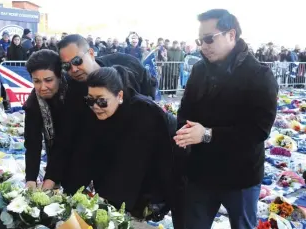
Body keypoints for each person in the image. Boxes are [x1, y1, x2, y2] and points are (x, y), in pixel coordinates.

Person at [174, 9, 278, 229]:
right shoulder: (199, 70)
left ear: (231, 35)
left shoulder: (259, 75)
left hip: (240, 177)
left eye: (209, 39)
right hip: (200, 173)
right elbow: (185, 112)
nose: (203, 45)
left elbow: (258, 130)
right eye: (200, 40)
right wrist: (185, 132)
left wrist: (207, 134)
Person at [47, 66, 174, 221]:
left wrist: (105, 205)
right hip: (114, 188)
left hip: (145, 189)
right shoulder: (95, 112)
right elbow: (85, 153)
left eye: (101, 100)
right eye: (90, 100)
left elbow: (132, 165)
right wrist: (70, 194)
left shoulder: (144, 112)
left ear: (119, 95)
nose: (95, 106)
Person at [23, 49, 68, 189]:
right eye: (36, 81)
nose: (42, 87)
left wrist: (51, 177)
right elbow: (32, 142)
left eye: (48, 80)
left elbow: (66, 139)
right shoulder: (33, 104)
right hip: (55, 149)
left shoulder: (74, 94)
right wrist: (30, 179)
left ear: (60, 76)